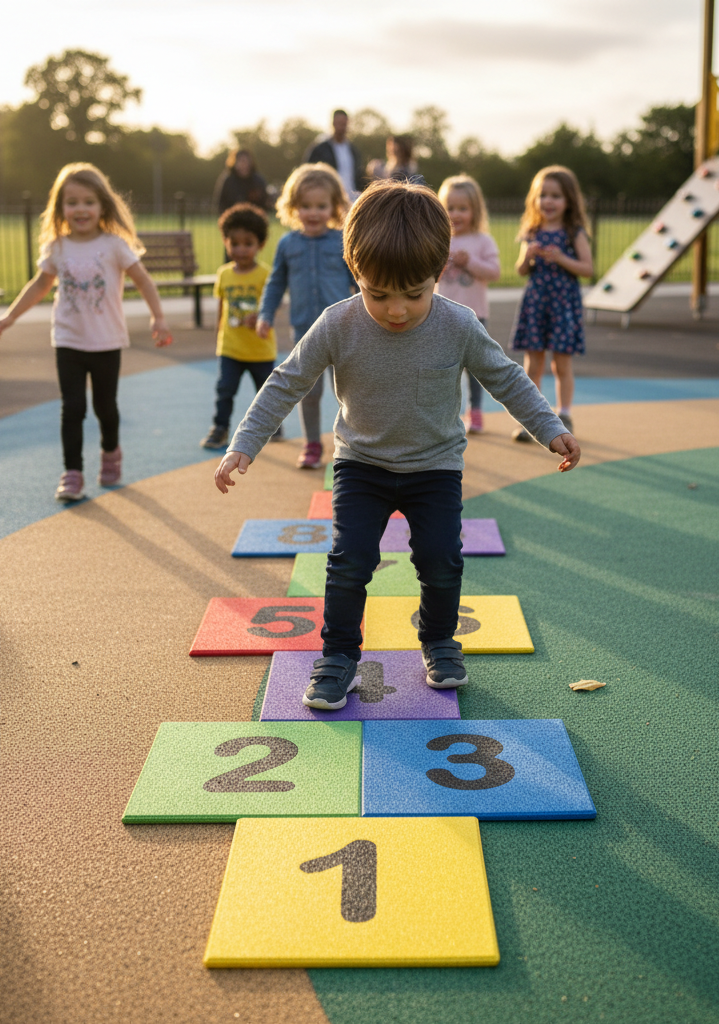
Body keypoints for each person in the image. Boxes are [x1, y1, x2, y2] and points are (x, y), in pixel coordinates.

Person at [214, 179, 580, 710]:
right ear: (355, 272)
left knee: (440, 560)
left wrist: (548, 426)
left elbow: (505, 376)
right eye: (378, 293)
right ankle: (339, 655)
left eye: (415, 293)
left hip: (434, 467)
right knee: (349, 561)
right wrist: (245, 442)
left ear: (438, 274)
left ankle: (438, 640)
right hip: (361, 465)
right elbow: (288, 380)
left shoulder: (457, 324)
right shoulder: (337, 323)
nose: (397, 310)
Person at [0, 162, 172, 502]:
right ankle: (72, 472)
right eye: (72, 202)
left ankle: (110, 452)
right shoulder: (58, 247)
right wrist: (9, 316)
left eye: (88, 201)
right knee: (72, 407)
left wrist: (158, 317)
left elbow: (143, 280)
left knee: (106, 407)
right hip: (68, 340)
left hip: (106, 341)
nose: (80, 209)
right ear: (61, 208)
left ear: (102, 205)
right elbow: (40, 285)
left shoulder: (115, 245)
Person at [256, 163, 354, 469]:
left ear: (334, 207)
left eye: (321, 206)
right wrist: (265, 314)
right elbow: (275, 283)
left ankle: (356, 442)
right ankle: (312, 443)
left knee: (353, 391)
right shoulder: (288, 244)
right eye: (305, 206)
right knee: (309, 392)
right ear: (292, 207)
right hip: (305, 331)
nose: (313, 213)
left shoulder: (342, 241)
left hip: (345, 328)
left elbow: (360, 280)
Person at [510, 165, 593, 439]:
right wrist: (528, 256)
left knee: (561, 363)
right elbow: (521, 270)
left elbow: (587, 268)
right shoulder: (532, 231)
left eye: (555, 195)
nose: (548, 201)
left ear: (568, 200)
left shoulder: (574, 232)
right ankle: (533, 417)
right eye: (543, 195)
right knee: (533, 363)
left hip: (563, 306)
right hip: (536, 304)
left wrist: (562, 258)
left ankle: (564, 413)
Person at [200, 204, 281, 451]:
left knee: (265, 393)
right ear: (226, 243)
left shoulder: (266, 275)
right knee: (224, 390)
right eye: (234, 243)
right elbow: (222, 307)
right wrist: (218, 337)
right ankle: (220, 428)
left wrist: (260, 318)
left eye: (248, 243)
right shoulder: (224, 274)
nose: (241, 249)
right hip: (231, 348)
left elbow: (273, 305)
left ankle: (271, 427)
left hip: (260, 349)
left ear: (260, 245)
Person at [435, 175, 500, 434]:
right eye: (450, 208)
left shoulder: (482, 241)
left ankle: (476, 411)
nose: (456, 214)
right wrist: (443, 265)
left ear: (475, 210)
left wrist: (469, 262)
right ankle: (445, 413)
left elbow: (494, 272)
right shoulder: (440, 239)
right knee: (443, 369)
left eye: (463, 208)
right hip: (441, 315)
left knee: (474, 368)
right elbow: (430, 277)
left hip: (475, 316)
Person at [305, 110, 363, 199]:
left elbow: (359, 176)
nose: (342, 127)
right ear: (333, 123)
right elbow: (308, 172)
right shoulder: (320, 149)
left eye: (344, 124)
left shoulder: (353, 151)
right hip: (329, 198)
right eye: (339, 123)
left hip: (351, 199)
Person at [214, 150, 270, 214]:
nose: (244, 164)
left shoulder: (258, 181)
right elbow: (220, 204)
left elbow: (266, 203)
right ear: (234, 163)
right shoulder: (228, 181)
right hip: (233, 220)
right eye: (240, 161)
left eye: (246, 161)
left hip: (254, 220)